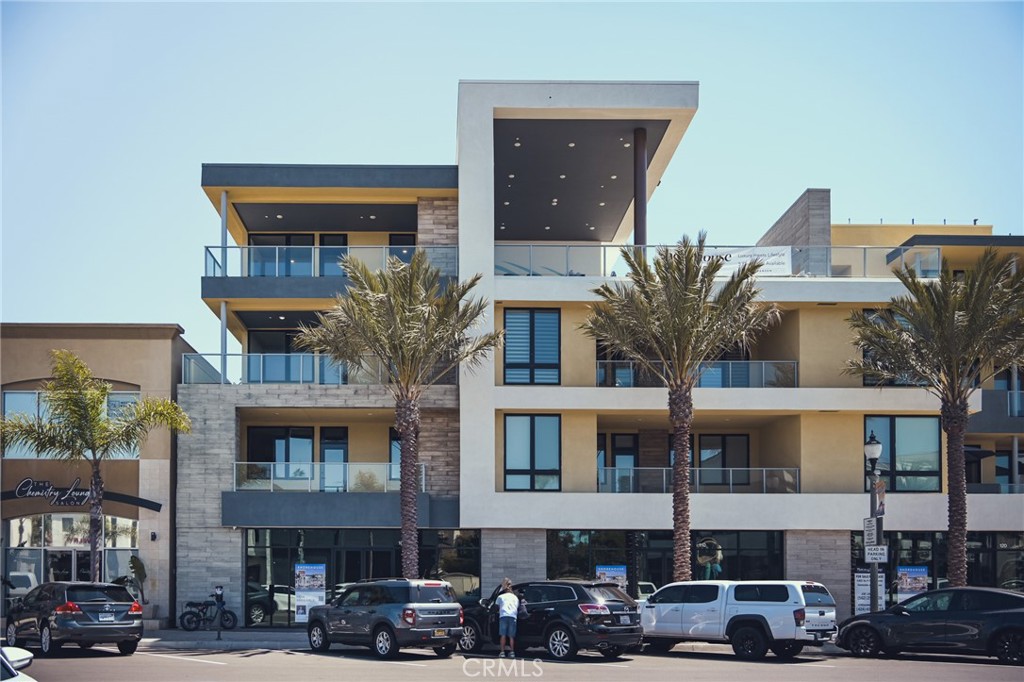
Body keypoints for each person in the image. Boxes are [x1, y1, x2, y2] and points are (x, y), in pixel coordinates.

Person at [495, 577, 519, 658]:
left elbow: (496, 607)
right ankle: (512, 652)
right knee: (511, 636)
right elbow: (517, 607)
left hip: (503, 616)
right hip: (513, 617)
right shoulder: (515, 597)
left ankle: (502, 652)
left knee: (503, 635)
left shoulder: (501, 597)